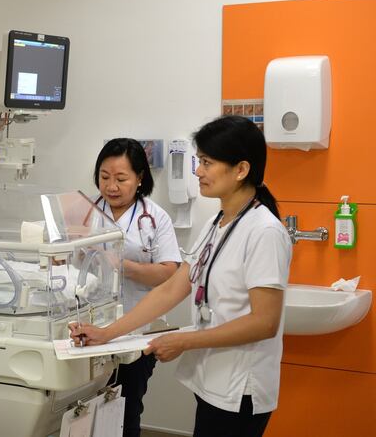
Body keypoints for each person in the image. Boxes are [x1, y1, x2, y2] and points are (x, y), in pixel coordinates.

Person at [72, 116, 292, 437]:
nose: (197, 171)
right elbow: (173, 288)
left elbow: (265, 322)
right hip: (213, 379)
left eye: (206, 162)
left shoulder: (265, 232)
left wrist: (184, 340)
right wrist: (107, 334)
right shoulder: (217, 223)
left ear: (241, 170)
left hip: (241, 386)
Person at [91, 138, 181, 437]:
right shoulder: (86, 212)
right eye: (104, 177)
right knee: (86, 410)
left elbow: (169, 273)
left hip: (135, 331)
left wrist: (122, 266)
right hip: (92, 328)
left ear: (140, 178)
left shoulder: (155, 218)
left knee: (126, 410)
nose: (111, 187)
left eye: (121, 179)